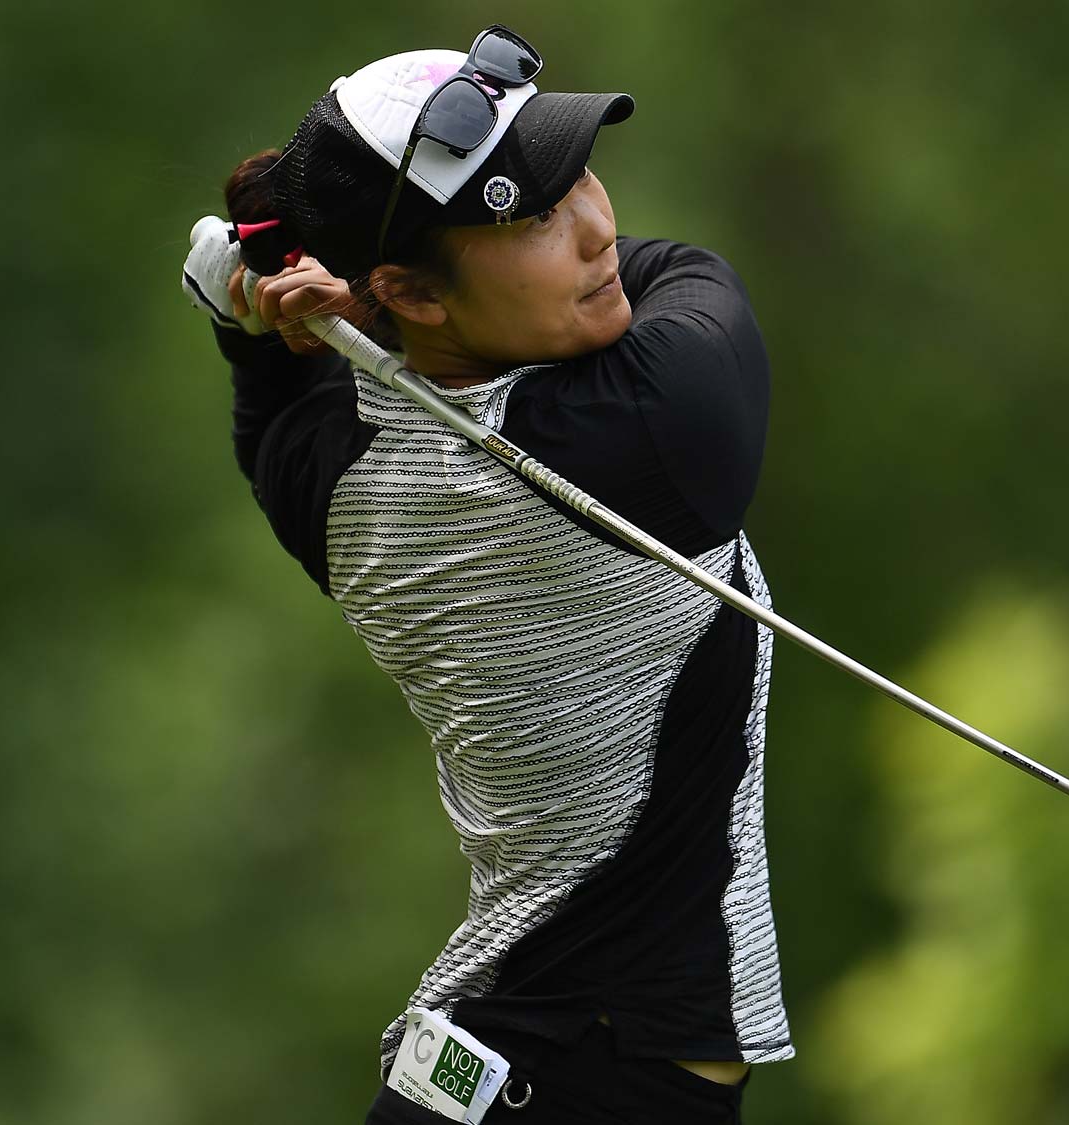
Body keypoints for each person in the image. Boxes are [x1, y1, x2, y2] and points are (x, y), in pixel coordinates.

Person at [191, 26, 789, 1125]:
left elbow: (275, 402)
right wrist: (278, 305)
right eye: (532, 215)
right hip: (583, 1079)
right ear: (410, 295)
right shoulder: (648, 434)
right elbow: (682, 275)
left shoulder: (336, 480)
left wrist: (255, 312)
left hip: (511, 1070)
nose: (598, 228)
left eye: (576, 182)